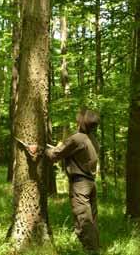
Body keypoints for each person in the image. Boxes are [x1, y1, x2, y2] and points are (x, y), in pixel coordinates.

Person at [29, 108, 100, 254]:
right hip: (90, 184)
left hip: (80, 185)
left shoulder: (77, 138)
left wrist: (39, 149)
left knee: (84, 223)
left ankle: (92, 252)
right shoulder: (91, 139)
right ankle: (95, 249)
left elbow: (54, 155)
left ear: (81, 123)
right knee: (91, 222)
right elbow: (68, 151)